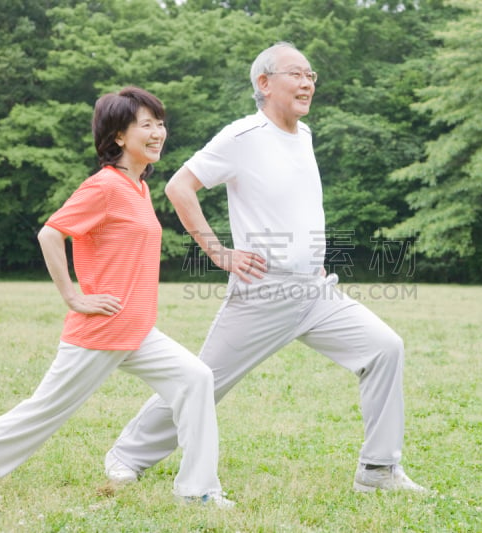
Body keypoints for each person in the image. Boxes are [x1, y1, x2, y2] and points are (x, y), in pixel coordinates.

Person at [104, 43, 427, 493]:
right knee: (205, 382)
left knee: (384, 348)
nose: (307, 82)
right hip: (263, 291)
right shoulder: (242, 137)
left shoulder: (305, 134)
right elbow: (180, 187)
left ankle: (378, 471)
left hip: (316, 292)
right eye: (296, 74)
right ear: (264, 83)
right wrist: (219, 252)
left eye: (311, 75)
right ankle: (127, 455)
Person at [0, 87, 233, 508]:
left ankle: (197, 490)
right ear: (119, 135)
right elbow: (51, 233)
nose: (158, 132)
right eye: (147, 124)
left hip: (136, 328)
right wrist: (73, 296)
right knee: (43, 412)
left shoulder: (137, 188)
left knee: (196, 378)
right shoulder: (104, 186)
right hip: (102, 329)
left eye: (160, 123)